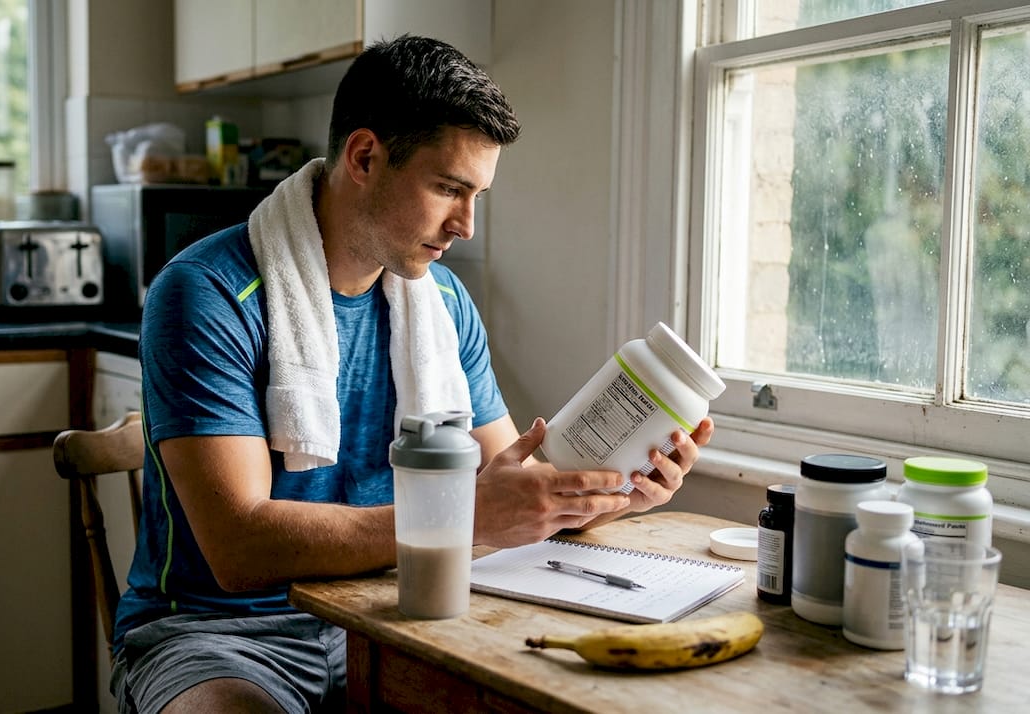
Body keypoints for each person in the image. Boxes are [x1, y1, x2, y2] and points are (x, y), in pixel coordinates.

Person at [111, 34, 714, 714]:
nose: (467, 225)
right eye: (449, 188)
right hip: (222, 634)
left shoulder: (445, 306)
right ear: (365, 157)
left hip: (395, 608)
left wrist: (606, 493)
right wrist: (464, 518)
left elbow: (508, 488)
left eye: (477, 195)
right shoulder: (207, 293)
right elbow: (240, 547)